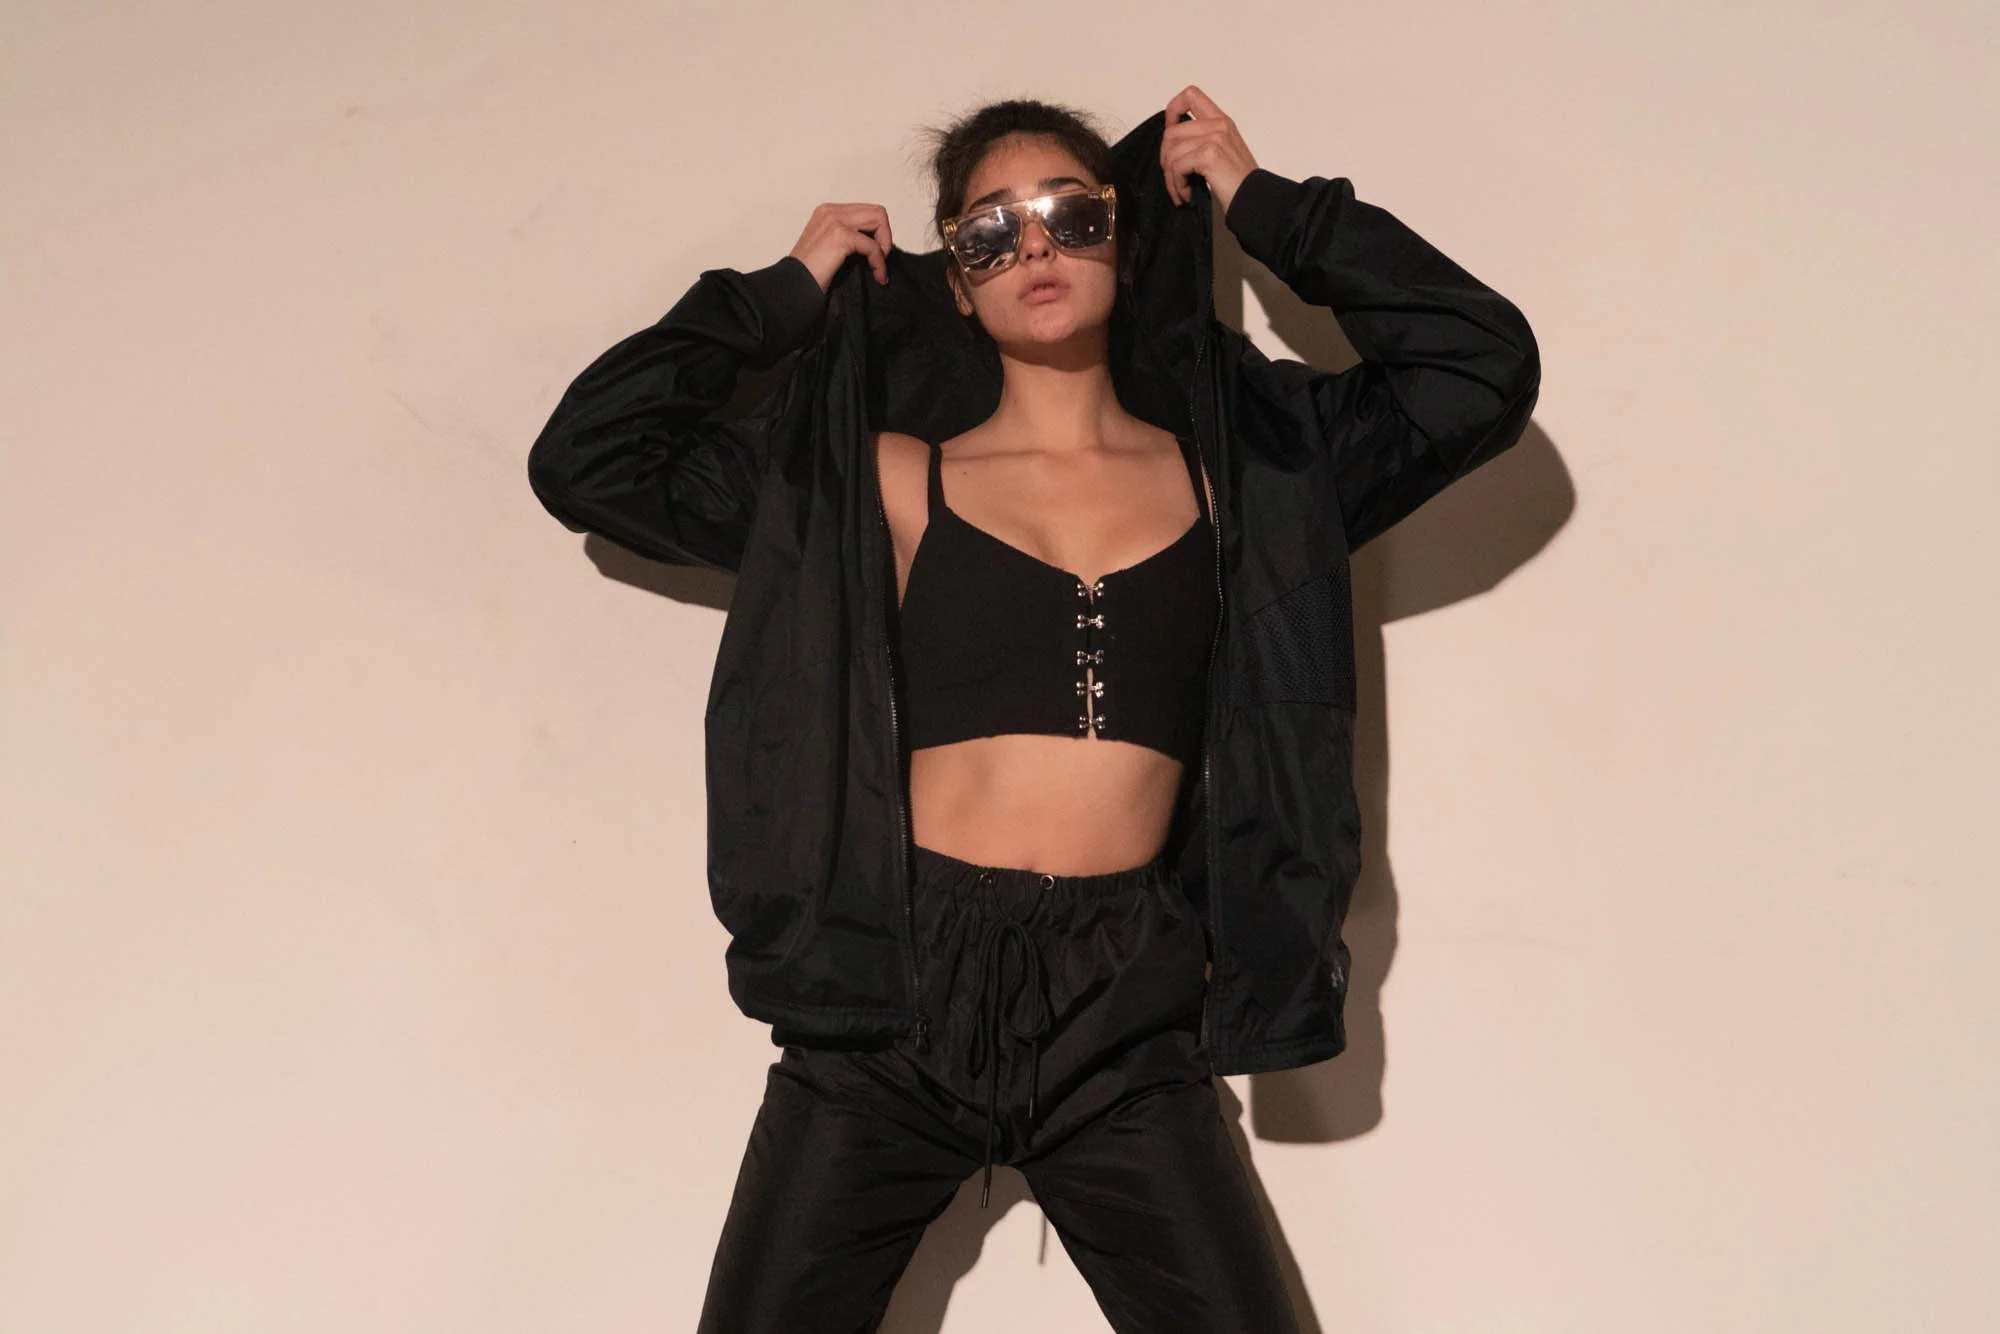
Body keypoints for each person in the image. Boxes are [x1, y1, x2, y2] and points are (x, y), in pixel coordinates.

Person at [527, 85, 1538, 1333]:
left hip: (1127, 1009)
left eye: (1070, 214)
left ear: (1125, 236)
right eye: (989, 232)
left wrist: (1264, 205)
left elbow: (1478, 366)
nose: (1034, 248)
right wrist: (778, 294)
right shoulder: (886, 481)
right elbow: (590, 456)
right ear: (957, 284)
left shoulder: (1252, 473)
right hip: (895, 1000)